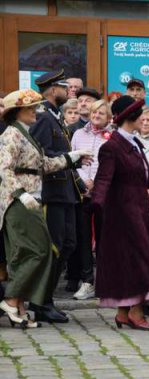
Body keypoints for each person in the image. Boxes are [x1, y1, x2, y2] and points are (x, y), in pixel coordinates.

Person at [0, 88, 91, 328]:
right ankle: (10, 299)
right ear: (18, 112)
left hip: (32, 197)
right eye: (31, 108)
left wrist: (73, 157)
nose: (36, 112)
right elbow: (4, 168)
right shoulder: (11, 135)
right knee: (39, 250)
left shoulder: (25, 134)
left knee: (26, 254)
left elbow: (45, 164)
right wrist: (20, 194)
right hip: (19, 201)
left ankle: (18, 307)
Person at [91, 95, 149, 331]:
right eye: (140, 114)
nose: (145, 118)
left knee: (132, 263)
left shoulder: (134, 143)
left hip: (138, 212)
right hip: (121, 216)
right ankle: (136, 311)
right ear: (130, 117)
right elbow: (103, 182)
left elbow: (138, 179)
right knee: (140, 262)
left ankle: (124, 313)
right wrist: (96, 211)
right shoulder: (112, 147)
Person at [30, 70, 84, 323]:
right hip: (52, 193)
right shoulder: (43, 118)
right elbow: (40, 154)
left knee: (68, 245)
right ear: (52, 89)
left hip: (66, 192)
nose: (69, 90)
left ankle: (46, 298)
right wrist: (68, 159)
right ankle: (41, 302)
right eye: (64, 86)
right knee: (54, 247)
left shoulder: (55, 116)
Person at [67, 100, 114, 300]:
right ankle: (87, 281)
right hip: (82, 193)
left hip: (105, 195)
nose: (96, 115)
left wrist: (97, 182)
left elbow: (112, 164)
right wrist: (83, 181)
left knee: (106, 239)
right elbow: (71, 159)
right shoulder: (78, 134)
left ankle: (105, 281)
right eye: (95, 112)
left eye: (102, 113)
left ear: (109, 118)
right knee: (83, 238)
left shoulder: (113, 136)